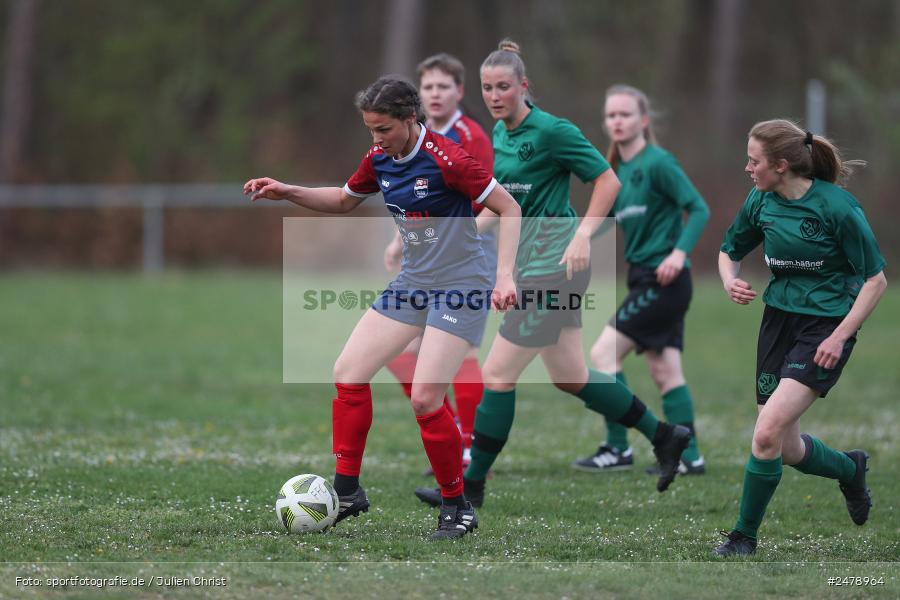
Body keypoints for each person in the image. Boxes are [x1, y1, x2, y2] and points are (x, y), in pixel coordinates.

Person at [414, 40, 692, 510]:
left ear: (524, 86)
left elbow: (607, 181)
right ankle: (665, 435)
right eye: (487, 88)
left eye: (504, 87)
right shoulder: (500, 134)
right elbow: (505, 206)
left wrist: (583, 235)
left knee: (497, 373)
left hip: (553, 269)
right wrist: (458, 239)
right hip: (533, 266)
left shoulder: (553, 131)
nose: (495, 96)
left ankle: (468, 489)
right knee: (570, 375)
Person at [244, 75, 522, 540]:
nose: (376, 139)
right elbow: (343, 200)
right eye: (371, 129)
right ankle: (348, 491)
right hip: (413, 282)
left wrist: (505, 275)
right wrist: (288, 190)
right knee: (349, 372)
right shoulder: (379, 159)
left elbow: (509, 207)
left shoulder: (448, 159)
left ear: (410, 119)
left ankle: (457, 506)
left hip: (461, 284)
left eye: (383, 129)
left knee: (425, 398)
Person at [713, 119, 886, 556]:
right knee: (785, 447)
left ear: (781, 165)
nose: (747, 168)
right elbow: (729, 251)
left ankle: (743, 537)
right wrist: (729, 280)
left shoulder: (837, 208)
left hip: (825, 326)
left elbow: (876, 281)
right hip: (778, 322)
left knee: (765, 433)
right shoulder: (761, 201)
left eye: (754, 161)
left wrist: (840, 336)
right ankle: (849, 468)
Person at [572, 85, 710, 476]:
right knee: (665, 371)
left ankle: (618, 448)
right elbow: (600, 224)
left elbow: (698, 209)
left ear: (643, 120)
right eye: (611, 115)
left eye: (625, 114)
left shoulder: (659, 163)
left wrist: (678, 254)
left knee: (603, 354)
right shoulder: (613, 172)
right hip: (642, 279)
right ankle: (690, 457)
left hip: (664, 281)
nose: (617, 121)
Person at [383, 53, 495, 473]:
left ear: (459, 91)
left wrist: (458, 240)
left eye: (443, 86)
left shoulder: (470, 136)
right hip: (427, 257)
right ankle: (449, 431)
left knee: (464, 351)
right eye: (428, 86)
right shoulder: (416, 136)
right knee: (402, 353)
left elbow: (495, 203)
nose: (435, 93)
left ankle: (469, 447)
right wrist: (400, 240)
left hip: (470, 255)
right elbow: (417, 198)